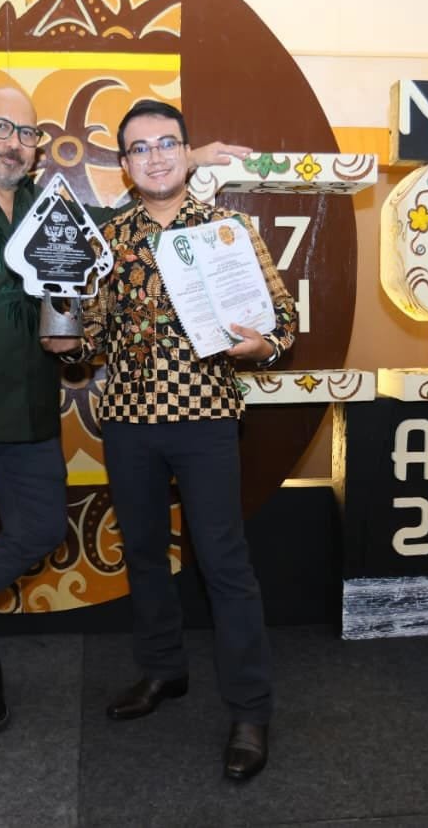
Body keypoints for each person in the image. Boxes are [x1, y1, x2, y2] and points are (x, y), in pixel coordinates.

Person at [0, 85, 248, 736]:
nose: (15, 142)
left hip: (27, 416)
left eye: (27, 132)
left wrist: (186, 156)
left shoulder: (53, 207)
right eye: (0, 127)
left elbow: (127, 220)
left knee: (40, 530)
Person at [42, 99, 296, 781]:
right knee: (145, 555)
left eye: (165, 143)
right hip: (128, 421)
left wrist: (263, 345)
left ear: (186, 153)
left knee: (224, 564)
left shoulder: (228, 230)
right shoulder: (107, 239)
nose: (154, 156)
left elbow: (282, 321)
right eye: (139, 147)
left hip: (206, 417)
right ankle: (163, 670)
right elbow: (91, 339)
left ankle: (250, 709)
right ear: (125, 165)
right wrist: (67, 344)